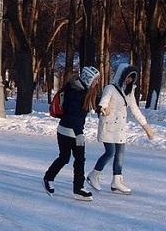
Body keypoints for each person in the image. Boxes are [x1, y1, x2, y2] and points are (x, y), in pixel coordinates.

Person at [87, 64, 155, 195]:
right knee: (110, 152)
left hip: (120, 129)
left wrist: (146, 126)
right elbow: (103, 102)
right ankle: (93, 175)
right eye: (128, 76)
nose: (129, 80)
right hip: (108, 127)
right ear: (121, 75)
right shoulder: (110, 88)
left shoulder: (129, 92)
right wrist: (103, 109)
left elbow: (135, 109)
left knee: (120, 155)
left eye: (132, 78)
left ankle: (116, 181)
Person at [42, 66, 101, 201]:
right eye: (95, 80)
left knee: (80, 159)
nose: (96, 83)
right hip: (66, 131)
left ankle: (78, 188)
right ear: (88, 79)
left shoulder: (83, 91)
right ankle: (48, 178)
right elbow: (73, 116)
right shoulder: (75, 92)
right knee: (65, 157)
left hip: (74, 131)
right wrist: (79, 133)